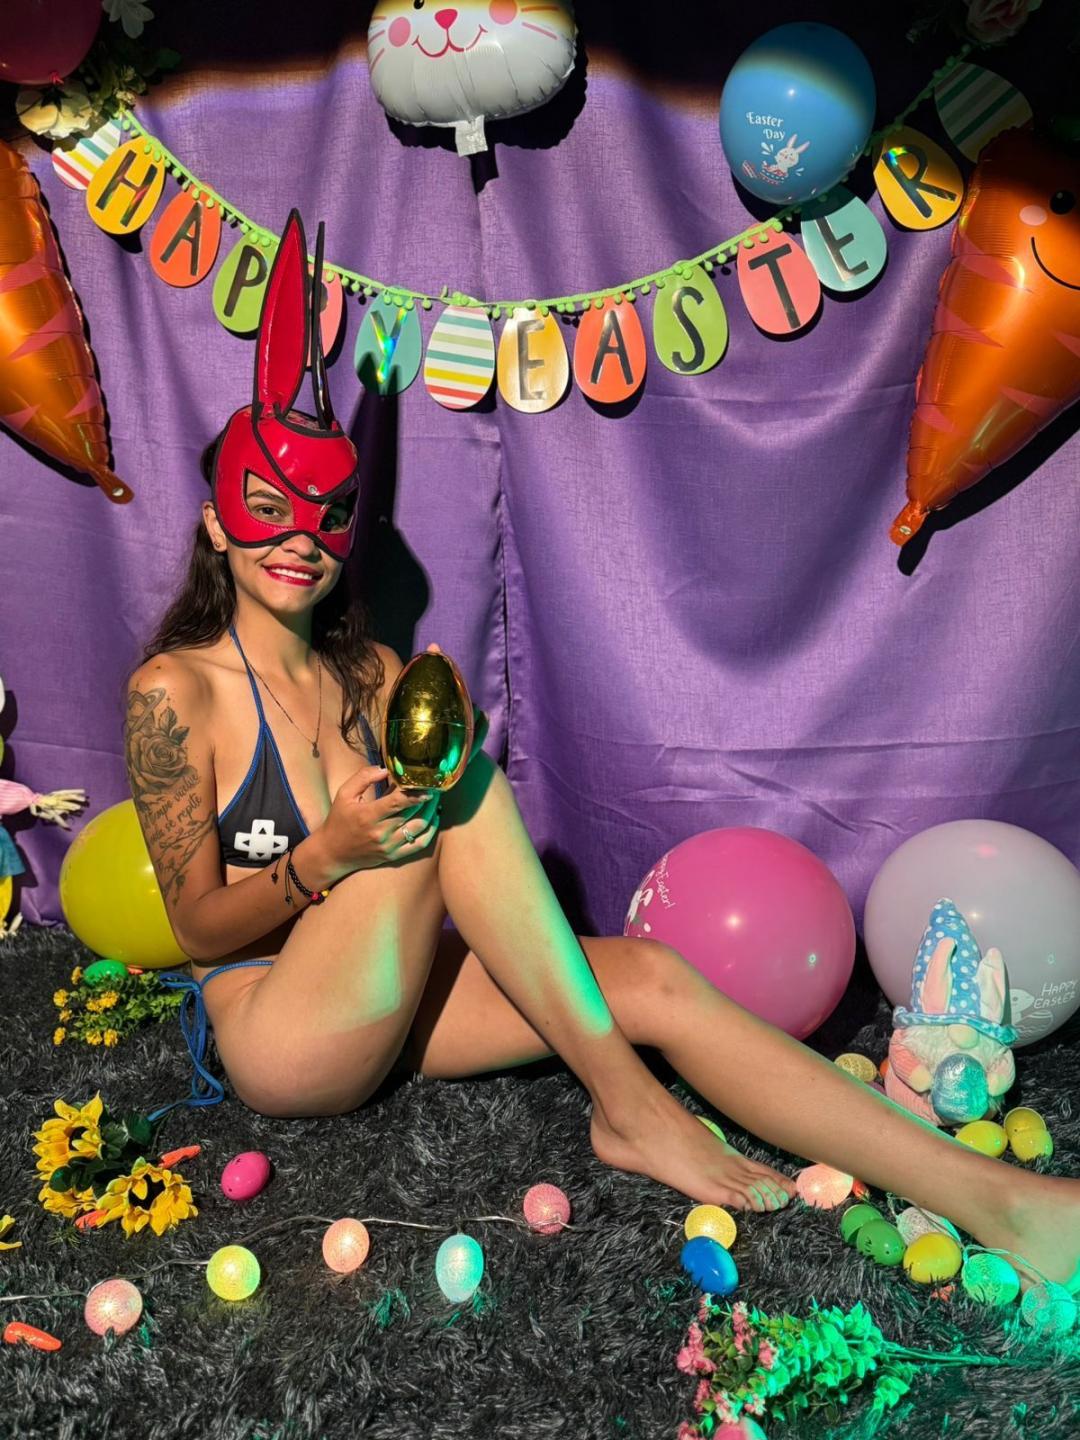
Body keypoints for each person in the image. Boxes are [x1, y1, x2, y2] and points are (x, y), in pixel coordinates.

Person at [127, 213, 1078, 1290]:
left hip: (390, 993)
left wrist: (428, 763)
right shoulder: (175, 692)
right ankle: (626, 1102)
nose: (300, 540)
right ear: (216, 524)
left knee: (654, 979)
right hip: (278, 1029)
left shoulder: (376, 674)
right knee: (456, 794)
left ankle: (1001, 1201)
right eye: (266, 510)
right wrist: (330, 854)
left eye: (327, 515)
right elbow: (195, 928)